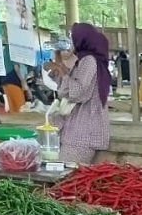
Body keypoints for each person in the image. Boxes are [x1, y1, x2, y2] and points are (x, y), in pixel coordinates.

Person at [44, 23, 111, 164]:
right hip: (76, 130)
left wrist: (62, 72)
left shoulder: (89, 61)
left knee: (66, 176)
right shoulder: (83, 60)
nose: (70, 41)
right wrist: (58, 64)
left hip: (83, 133)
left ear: (82, 39)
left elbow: (78, 92)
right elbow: (65, 89)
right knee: (64, 174)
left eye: (72, 37)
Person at [0, 45, 27, 113]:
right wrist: (22, 81)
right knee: (21, 106)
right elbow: (16, 68)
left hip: (4, 80)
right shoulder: (12, 48)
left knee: (12, 106)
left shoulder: (5, 49)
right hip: (13, 81)